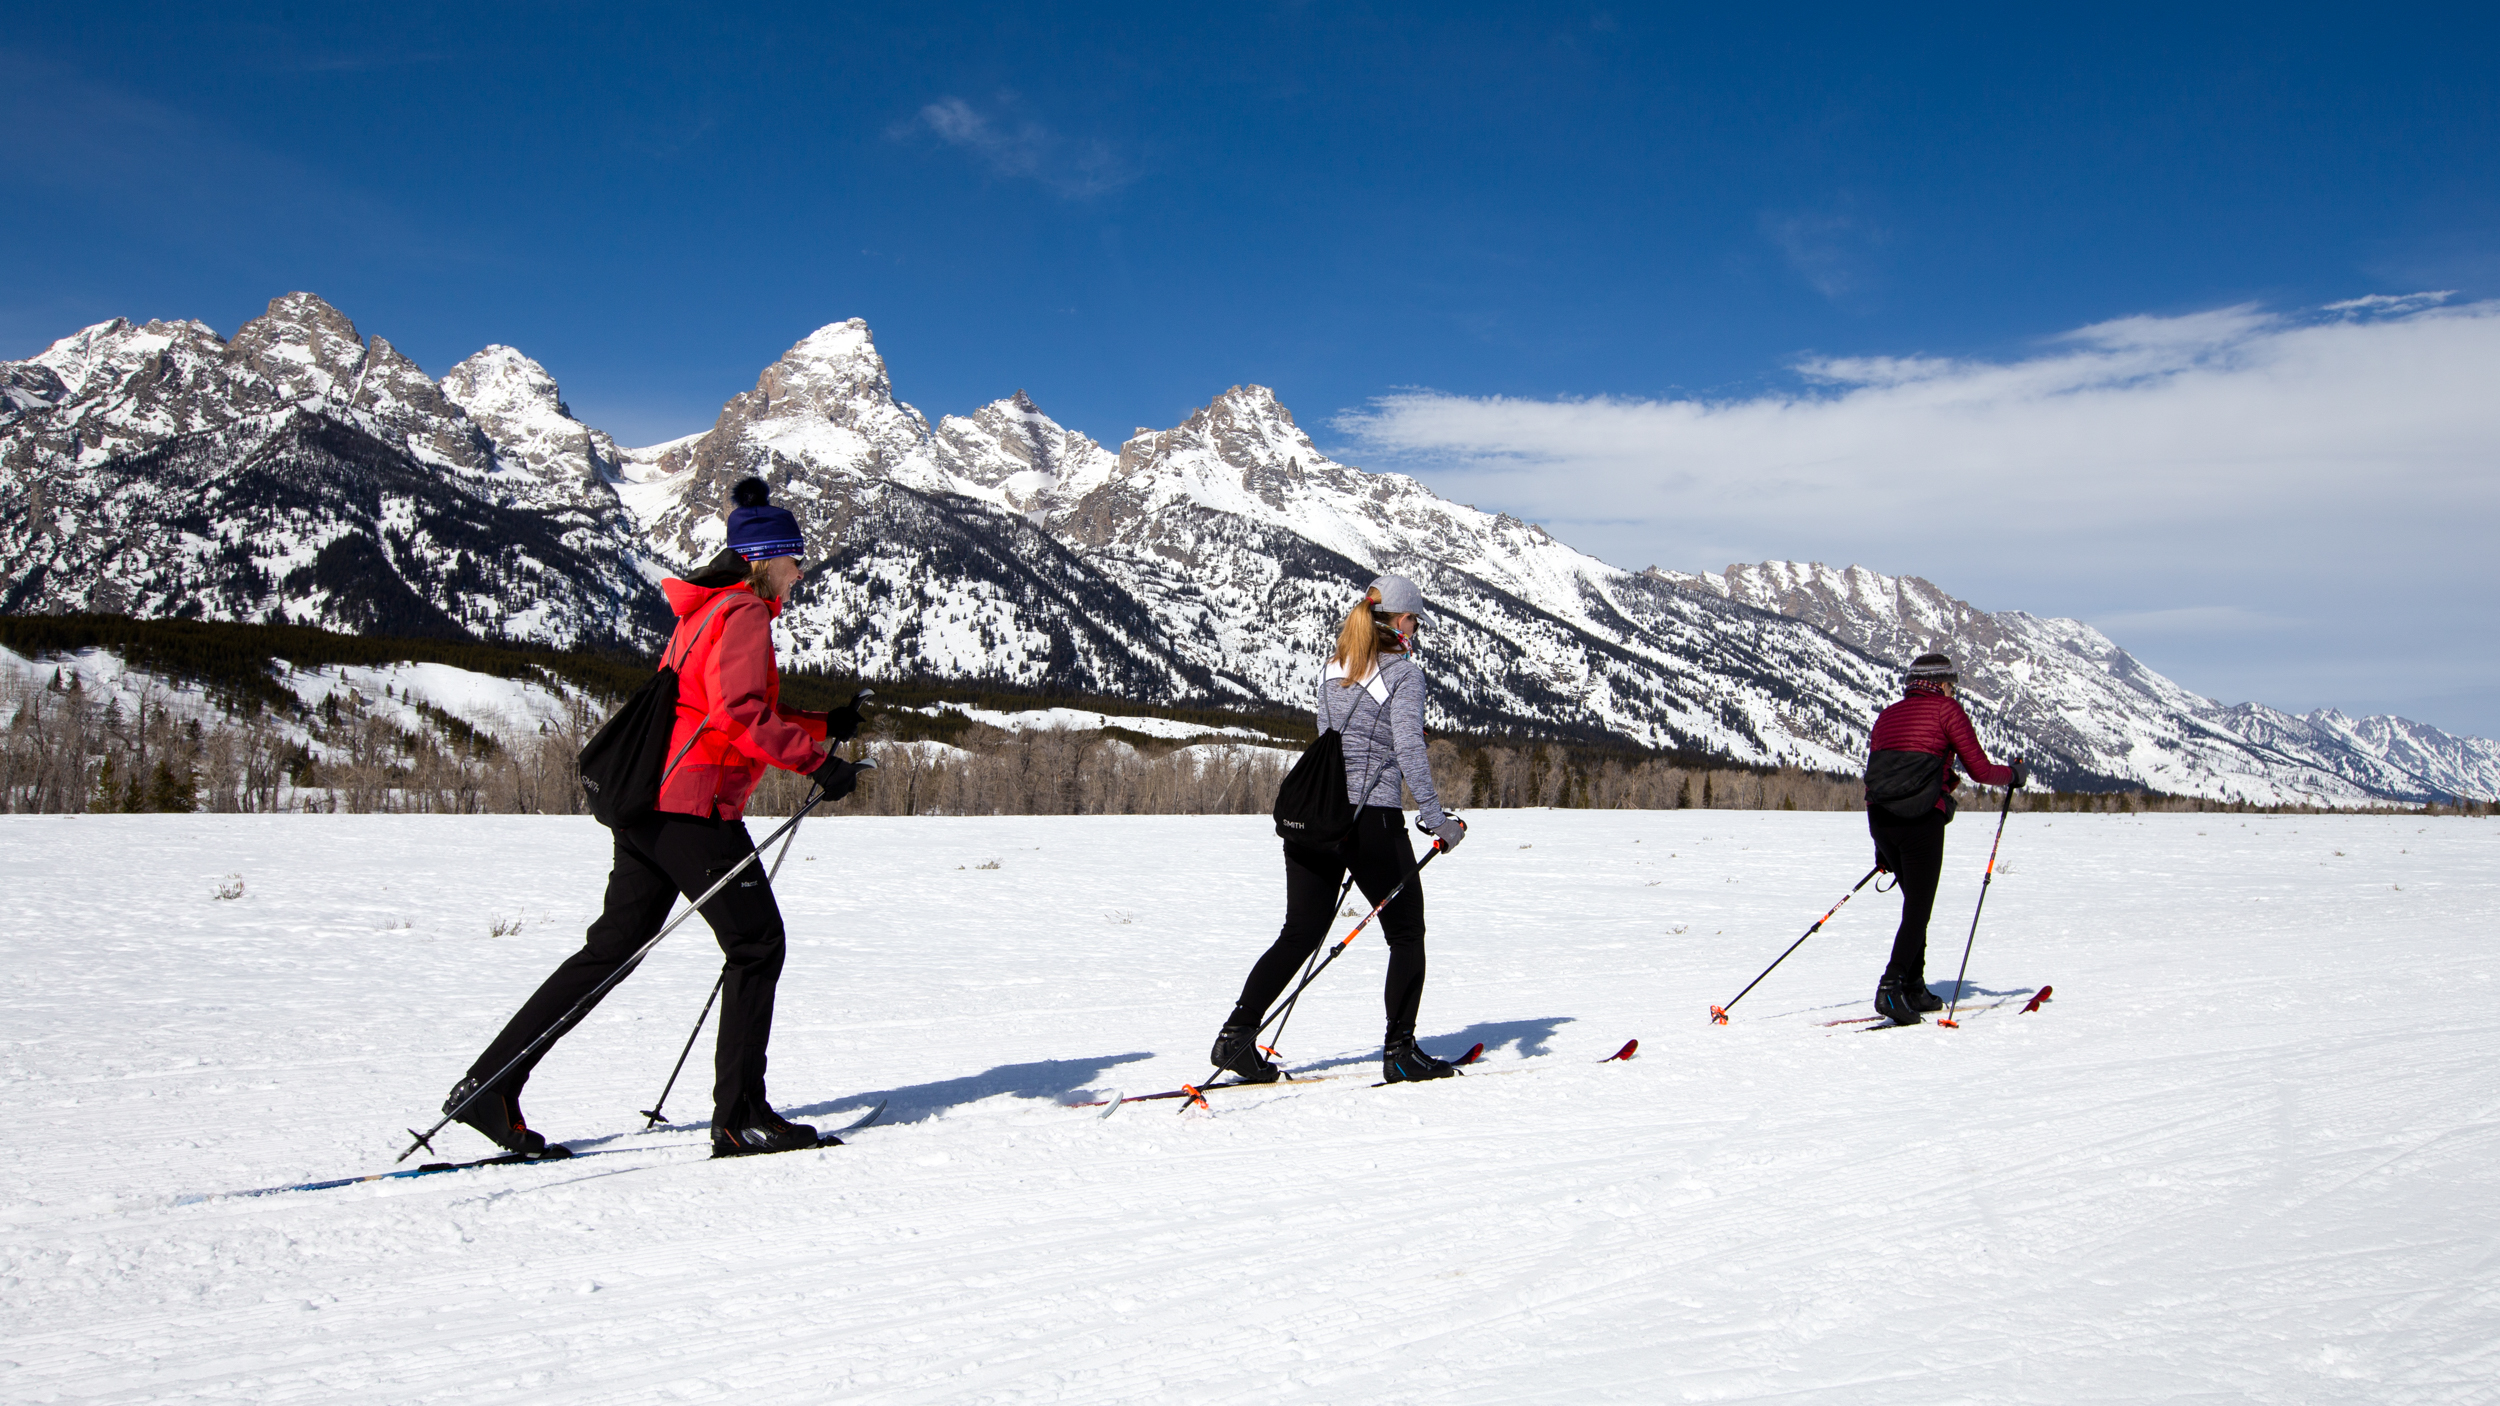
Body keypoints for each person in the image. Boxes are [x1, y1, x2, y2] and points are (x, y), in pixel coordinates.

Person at [442, 477, 874, 1158]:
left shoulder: (708, 609)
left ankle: (489, 1087)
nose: (801, 573)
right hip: (690, 807)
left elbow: (720, 702)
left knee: (611, 949)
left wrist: (823, 724)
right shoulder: (745, 614)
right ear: (766, 559)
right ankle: (740, 1116)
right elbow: (736, 716)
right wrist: (816, 763)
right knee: (757, 942)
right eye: (796, 560)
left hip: (650, 801)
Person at [1210, 573, 1471, 1085]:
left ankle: (1235, 1035)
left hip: (1317, 817)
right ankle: (1400, 1052)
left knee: (1300, 932)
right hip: (1370, 819)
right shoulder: (1405, 676)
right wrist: (1438, 820)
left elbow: (1336, 739)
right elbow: (1408, 750)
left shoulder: (1334, 668)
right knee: (1406, 933)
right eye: (1414, 619)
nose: (1416, 628)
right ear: (1399, 622)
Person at [1863, 652, 2026, 1026]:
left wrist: (1880, 846)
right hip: (1921, 819)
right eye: (1952, 684)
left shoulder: (1887, 715)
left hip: (1880, 820)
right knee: (1918, 909)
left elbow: (1879, 775)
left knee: (1913, 906)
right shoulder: (1946, 710)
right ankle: (1891, 987)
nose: (1955, 690)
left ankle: (1915, 987)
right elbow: (1981, 770)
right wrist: (2015, 775)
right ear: (1941, 683)